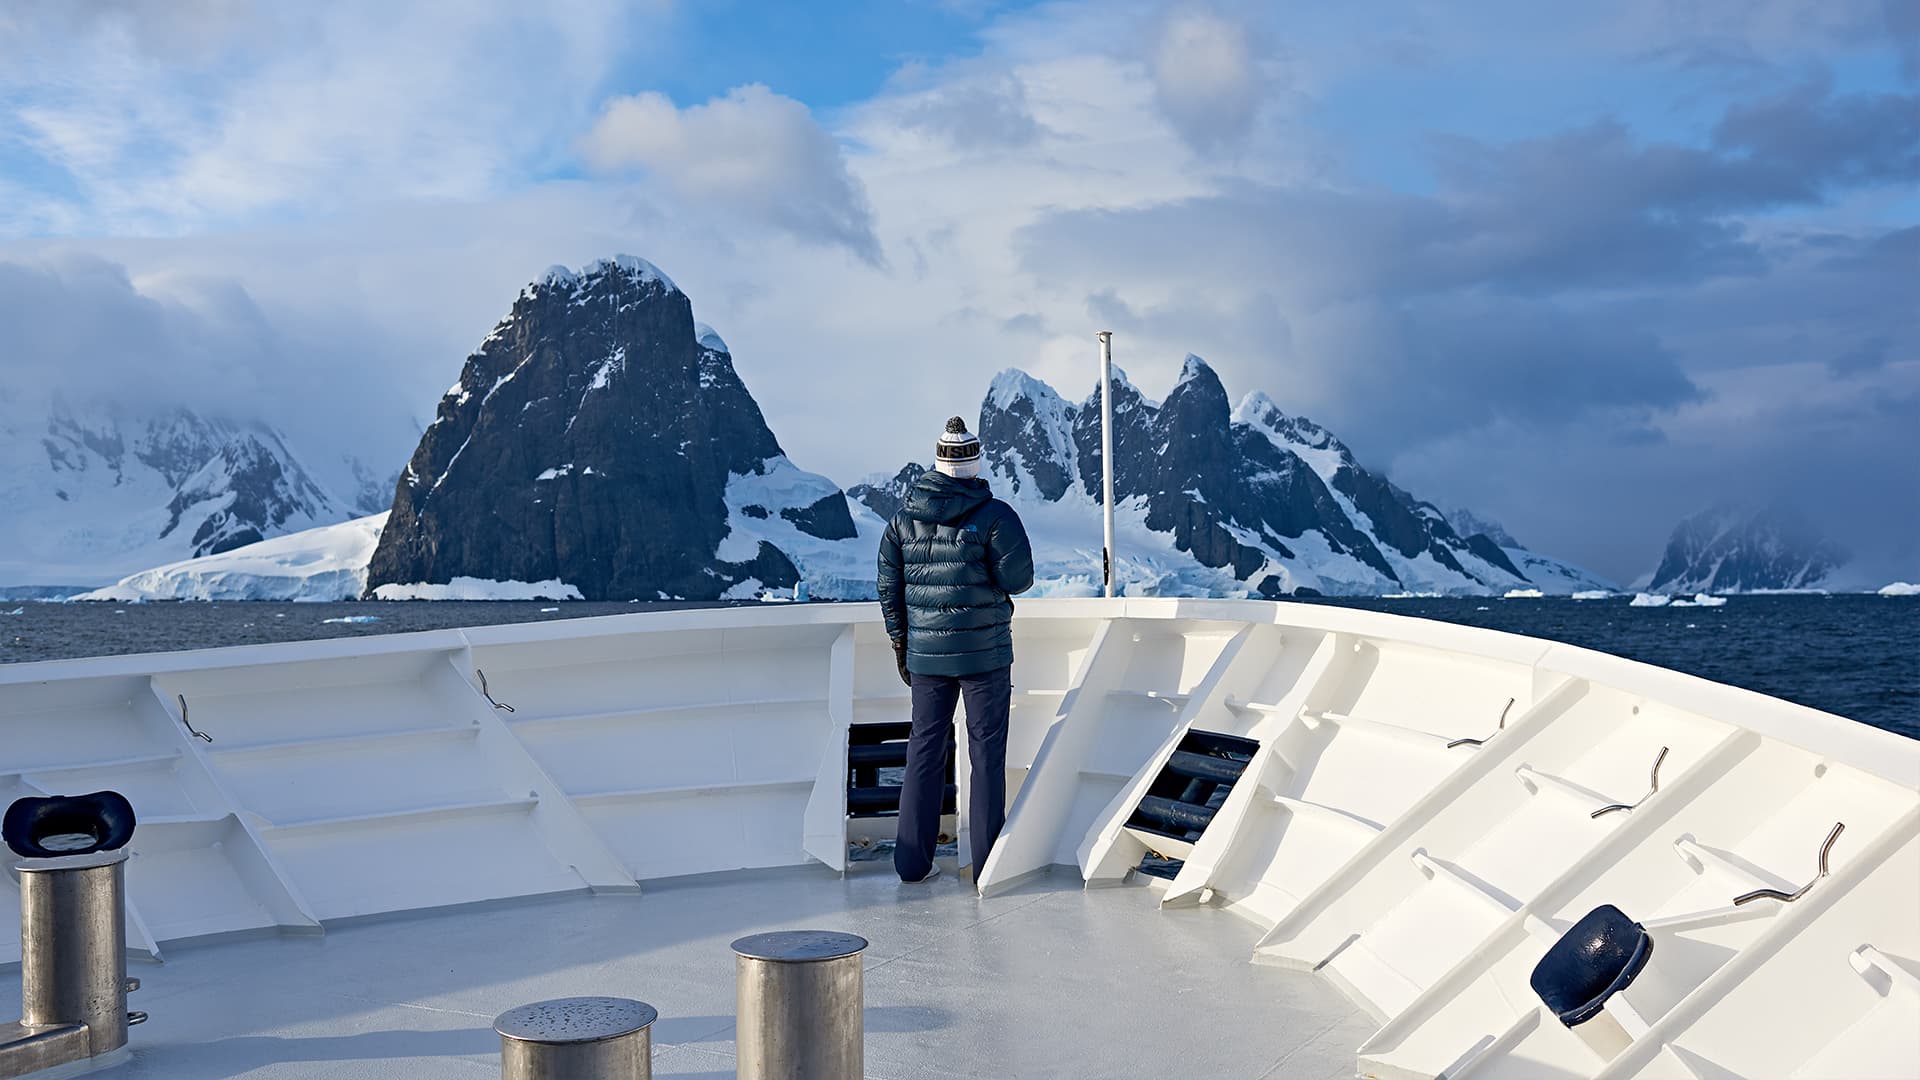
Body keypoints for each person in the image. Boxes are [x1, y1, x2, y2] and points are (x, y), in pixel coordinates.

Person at [877, 416, 1035, 885]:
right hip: (985, 655)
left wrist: (901, 642)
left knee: (924, 750)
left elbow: (889, 589)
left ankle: (912, 864)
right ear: (974, 463)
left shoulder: (901, 520)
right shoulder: (996, 516)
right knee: (985, 756)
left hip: (927, 656)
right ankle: (986, 867)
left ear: (937, 462)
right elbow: (1020, 580)